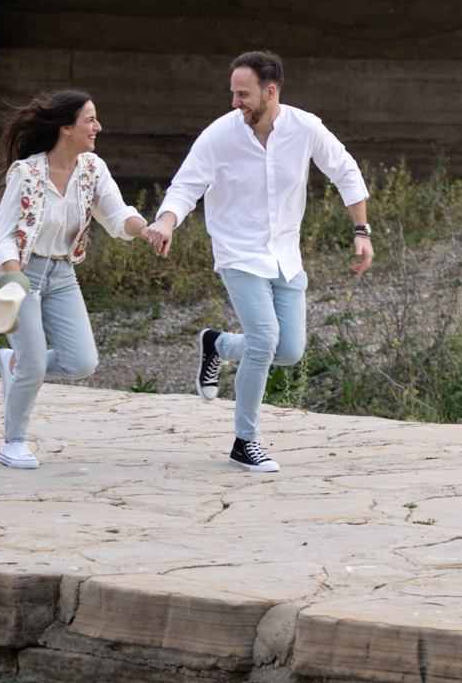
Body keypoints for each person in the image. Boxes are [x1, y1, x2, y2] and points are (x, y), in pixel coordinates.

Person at [145, 51, 373, 473]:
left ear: (271, 92)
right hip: (239, 254)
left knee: (287, 350)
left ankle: (217, 344)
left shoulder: (305, 127)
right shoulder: (219, 135)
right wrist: (166, 221)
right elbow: (186, 185)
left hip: (286, 256)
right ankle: (244, 442)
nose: (236, 102)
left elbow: (346, 171)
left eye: (244, 94)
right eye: (233, 93)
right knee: (265, 340)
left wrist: (361, 231)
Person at [0, 90, 151, 468]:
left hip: (61, 274)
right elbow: (1, 236)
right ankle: (13, 442)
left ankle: (16, 364)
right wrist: (14, 283)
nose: (98, 127)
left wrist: (146, 230)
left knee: (82, 363)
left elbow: (116, 214)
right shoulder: (28, 174)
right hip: (17, 273)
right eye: (90, 120)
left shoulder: (92, 169)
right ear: (65, 128)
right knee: (35, 365)